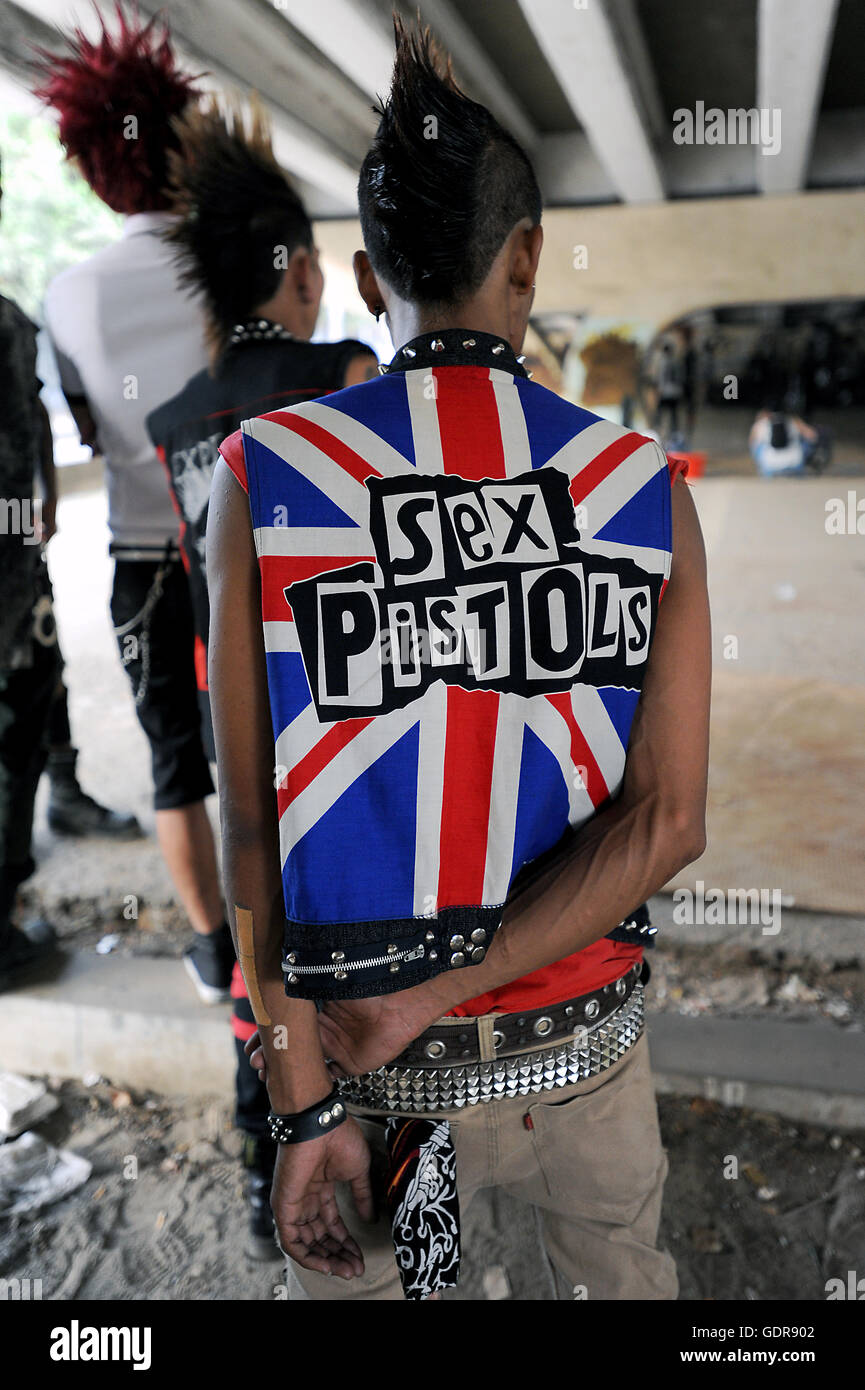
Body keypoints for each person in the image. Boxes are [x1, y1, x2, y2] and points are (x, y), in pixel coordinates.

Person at [208, 19, 710, 1301]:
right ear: (527, 257)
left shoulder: (265, 473)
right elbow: (667, 824)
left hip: (364, 1089)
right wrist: (457, 982)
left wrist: (304, 1099)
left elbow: (251, 830)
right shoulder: (642, 487)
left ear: (370, 280)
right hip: (576, 1059)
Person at [147, 97, 377, 1258]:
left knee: (259, 945)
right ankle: (366, 1150)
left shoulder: (176, 417)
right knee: (348, 935)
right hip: (332, 716)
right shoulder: (338, 369)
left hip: (222, 712)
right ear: (291, 267)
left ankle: (266, 1163)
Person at [35, 8, 232, 1002]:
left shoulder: (70, 294)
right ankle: (284, 932)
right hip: (246, 544)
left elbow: (84, 418)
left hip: (143, 559)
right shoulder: (230, 256)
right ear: (182, 138)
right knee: (265, 747)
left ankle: (211, 948)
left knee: (174, 764)